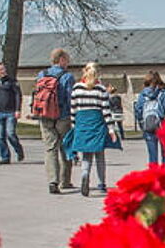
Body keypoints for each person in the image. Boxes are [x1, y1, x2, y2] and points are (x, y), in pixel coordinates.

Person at [66, 62, 120, 196]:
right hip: (97, 123)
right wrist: (111, 129)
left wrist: (74, 126)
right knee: (100, 156)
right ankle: (101, 184)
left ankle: (85, 175)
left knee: (86, 156)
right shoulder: (101, 89)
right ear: (97, 74)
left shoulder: (76, 88)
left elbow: (72, 110)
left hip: (82, 124)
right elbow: (106, 111)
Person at [37, 48, 76, 194]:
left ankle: (52, 181)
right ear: (61, 60)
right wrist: (73, 117)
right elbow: (70, 97)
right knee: (65, 146)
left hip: (45, 115)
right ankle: (65, 181)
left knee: (50, 148)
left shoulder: (42, 74)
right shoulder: (67, 77)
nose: (68, 63)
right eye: (67, 60)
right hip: (62, 116)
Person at [0, 62, 25, 165]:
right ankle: (5, 157)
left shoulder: (11, 81)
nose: (2, 71)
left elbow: (18, 95)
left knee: (11, 134)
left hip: (11, 112)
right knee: (1, 136)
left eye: (3, 69)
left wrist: (18, 110)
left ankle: (18, 149)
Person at [134, 71, 165, 165]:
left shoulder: (142, 94)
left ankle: (154, 176)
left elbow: (138, 110)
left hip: (148, 126)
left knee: (152, 156)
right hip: (163, 125)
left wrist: (142, 124)